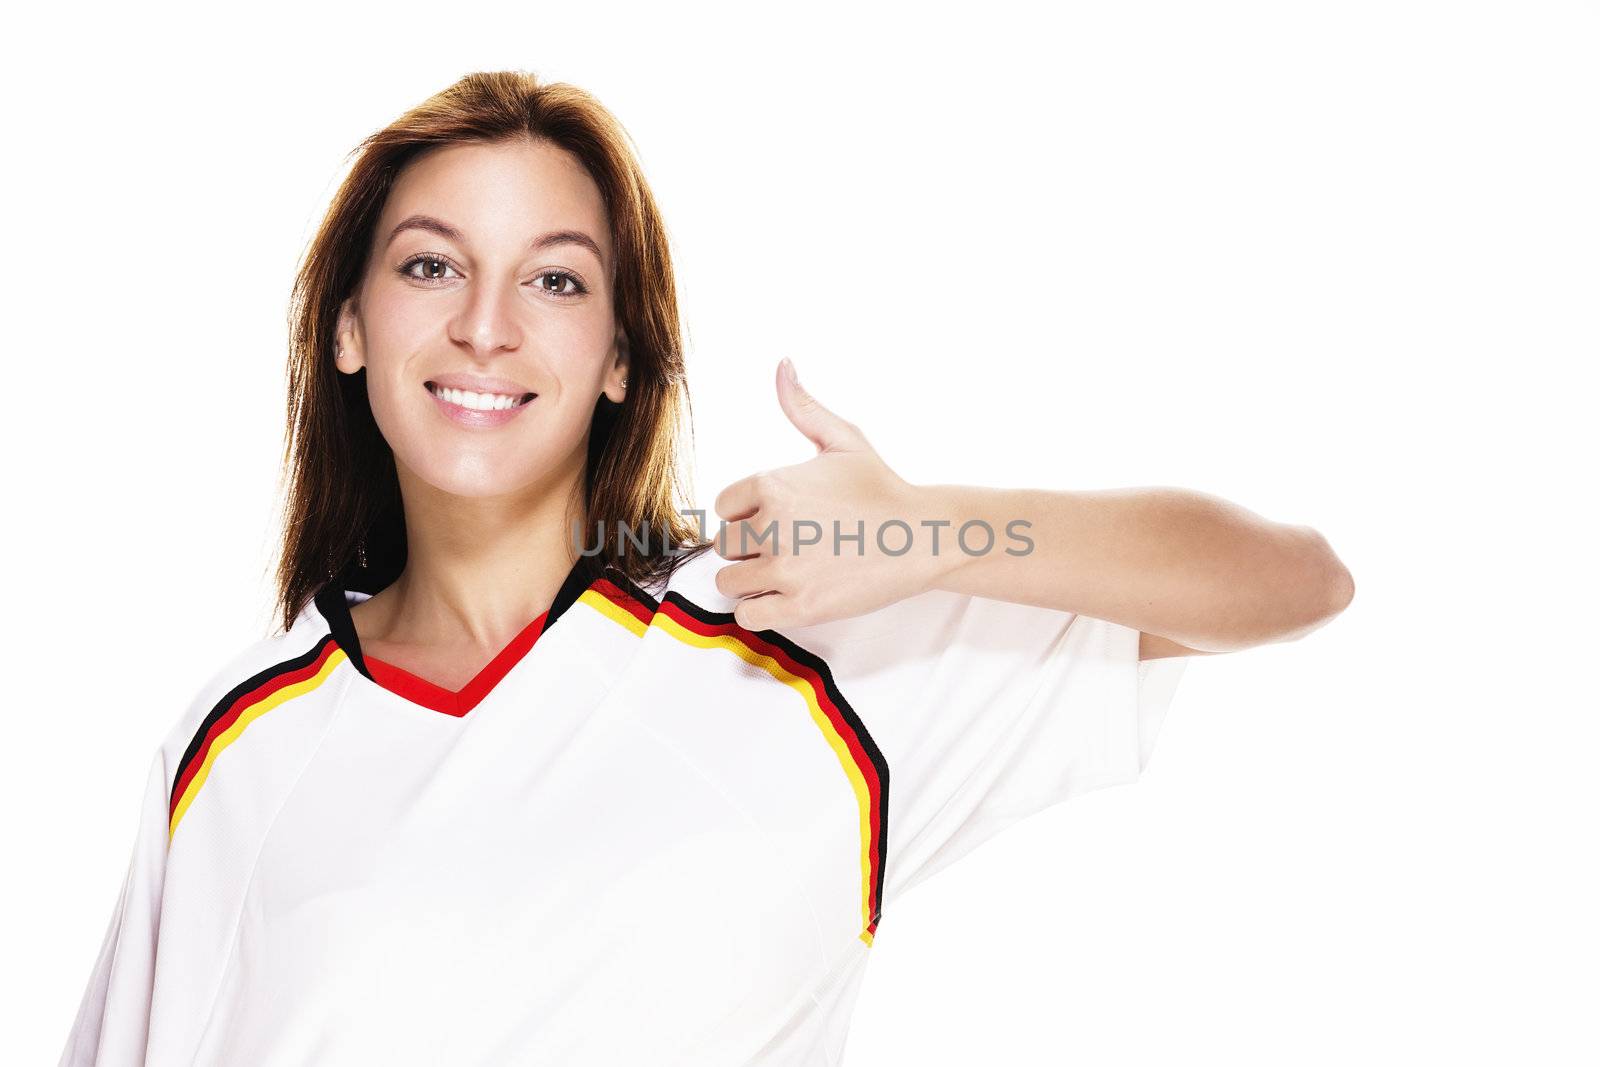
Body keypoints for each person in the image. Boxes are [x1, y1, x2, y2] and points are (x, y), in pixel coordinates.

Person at [56, 71, 1354, 1066]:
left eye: (555, 281)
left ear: (622, 358)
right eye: (431, 265)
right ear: (348, 324)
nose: (486, 326)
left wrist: (932, 531)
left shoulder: (799, 641)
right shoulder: (237, 748)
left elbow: (1292, 583)